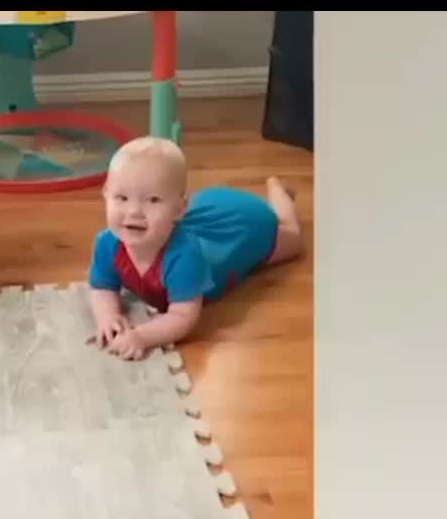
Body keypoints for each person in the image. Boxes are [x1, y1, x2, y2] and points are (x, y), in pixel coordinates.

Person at [87, 136, 303, 360]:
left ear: (179, 209)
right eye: (121, 197)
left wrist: (141, 336)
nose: (134, 212)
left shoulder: (184, 256)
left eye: (152, 200)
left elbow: (182, 316)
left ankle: (277, 190)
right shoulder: (107, 243)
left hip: (243, 225)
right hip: (208, 208)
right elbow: (102, 286)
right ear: (105, 194)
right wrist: (108, 315)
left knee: (293, 239)